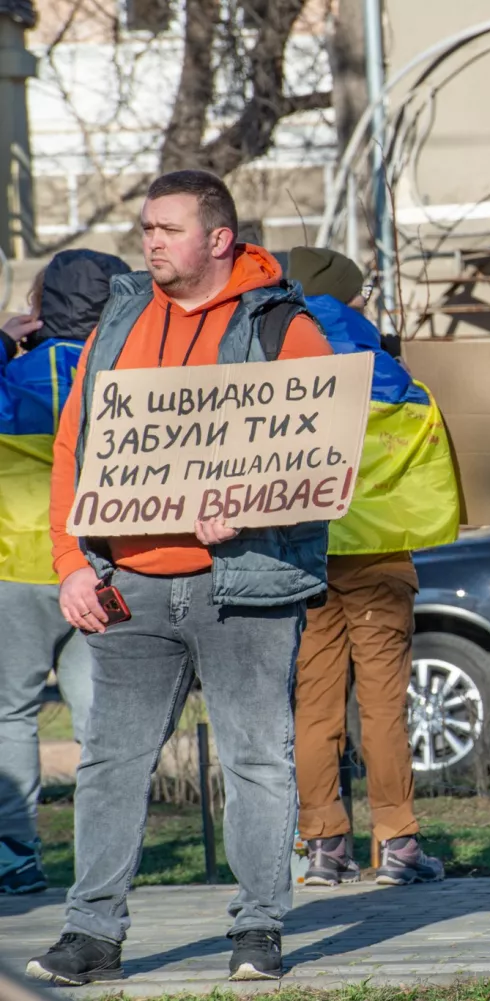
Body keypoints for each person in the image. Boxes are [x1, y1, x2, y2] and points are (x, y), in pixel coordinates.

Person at [26, 170, 334, 987]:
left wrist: (251, 499)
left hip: (246, 584)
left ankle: (259, 928)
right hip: (130, 583)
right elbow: (72, 447)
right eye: (145, 227)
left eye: (165, 227)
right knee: (109, 762)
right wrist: (70, 563)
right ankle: (92, 934)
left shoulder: (282, 324)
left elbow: (326, 453)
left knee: (256, 759)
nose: (149, 240)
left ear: (220, 237)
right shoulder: (120, 318)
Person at [284, 246, 452, 887]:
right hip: (379, 554)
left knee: (314, 707)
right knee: (384, 707)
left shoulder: (275, 348)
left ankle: (324, 846)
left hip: (304, 551)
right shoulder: (382, 363)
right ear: (352, 297)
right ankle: (398, 846)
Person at [0, 251, 128, 895]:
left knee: (9, 714)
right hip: (105, 564)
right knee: (102, 719)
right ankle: (107, 858)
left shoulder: (14, 376)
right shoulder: (128, 376)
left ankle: (16, 860)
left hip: (14, 562)